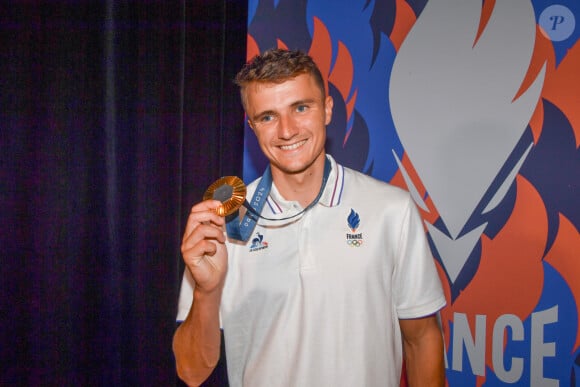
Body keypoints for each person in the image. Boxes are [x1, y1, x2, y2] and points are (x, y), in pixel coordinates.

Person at [173, 48, 446, 386]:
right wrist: (205, 291)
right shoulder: (224, 223)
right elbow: (191, 370)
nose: (287, 131)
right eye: (268, 117)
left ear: (327, 109)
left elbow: (421, 339)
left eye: (301, 108)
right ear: (252, 126)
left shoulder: (392, 210)